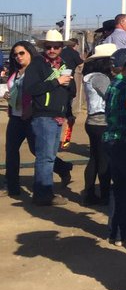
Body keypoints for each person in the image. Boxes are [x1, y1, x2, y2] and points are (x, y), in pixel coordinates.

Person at [29, 30, 76, 206]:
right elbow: (31, 88)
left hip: (57, 115)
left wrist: (68, 85)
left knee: (48, 155)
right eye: (49, 47)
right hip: (44, 116)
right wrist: (57, 82)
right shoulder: (37, 64)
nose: (52, 49)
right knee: (45, 157)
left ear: (61, 47)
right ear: (44, 47)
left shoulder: (62, 65)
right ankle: (43, 193)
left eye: (56, 46)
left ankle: (44, 192)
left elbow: (70, 92)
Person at [104, 48, 126, 247]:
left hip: (110, 138)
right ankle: (125, 231)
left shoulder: (113, 83)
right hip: (123, 140)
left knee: (117, 187)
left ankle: (113, 231)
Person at [4, 40, 43, 198]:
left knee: (37, 150)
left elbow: (41, 93)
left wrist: (32, 107)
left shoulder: (36, 71)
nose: (18, 57)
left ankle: (62, 167)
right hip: (15, 117)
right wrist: (9, 96)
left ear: (30, 53)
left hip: (31, 117)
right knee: (11, 151)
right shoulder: (15, 73)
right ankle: (12, 186)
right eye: (15, 54)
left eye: (21, 53)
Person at [81, 43, 117, 205]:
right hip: (101, 121)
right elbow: (110, 95)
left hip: (92, 121)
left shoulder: (89, 76)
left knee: (95, 158)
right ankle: (103, 194)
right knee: (104, 160)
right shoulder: (100, 78)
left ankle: (89, 193)